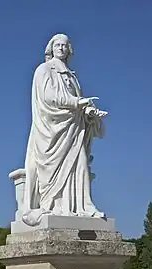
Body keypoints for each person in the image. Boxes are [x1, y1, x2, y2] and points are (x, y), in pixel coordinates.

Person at [22, 34, 108, 226]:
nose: (61, 48)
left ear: (69, 50)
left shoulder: (71, 76)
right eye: (57, 45)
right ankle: (54, 205)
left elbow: (78, 102)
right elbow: (48, 97)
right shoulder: (44, 70)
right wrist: (77, 102)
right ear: (51, 48)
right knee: (55, 170)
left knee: (80, 165)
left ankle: (83, 206)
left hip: (73, 130)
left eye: (65, 45)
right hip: (52, 131)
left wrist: (90, 111)